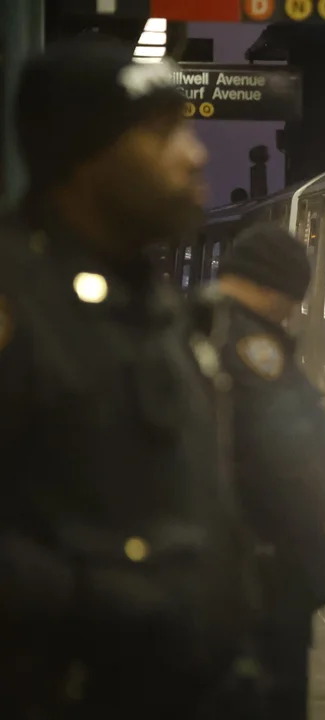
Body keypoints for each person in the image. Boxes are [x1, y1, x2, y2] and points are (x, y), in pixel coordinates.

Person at [0, 37, 261, 716]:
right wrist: (102, 597)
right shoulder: (17, 301)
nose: (194, 154)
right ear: (86, 158)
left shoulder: (153, 304)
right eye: (163, 133)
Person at [201, 222, 325, 718]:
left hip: (248, 570)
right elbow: (283, 455)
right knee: (269, 692)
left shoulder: (214, 330)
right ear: (273, 288)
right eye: (292, 298)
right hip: (260, 574)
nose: (293, 312)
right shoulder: (250, 350)